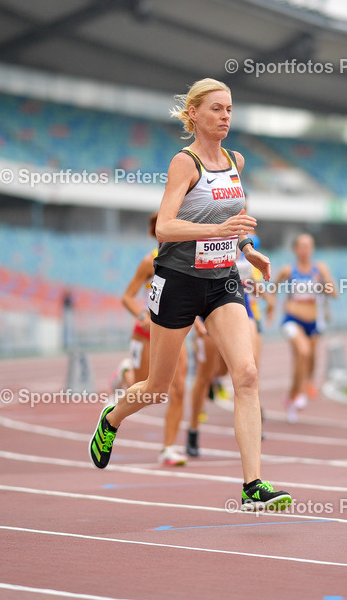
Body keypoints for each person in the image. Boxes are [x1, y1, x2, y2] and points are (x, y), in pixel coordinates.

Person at [89, 77, 291, 511]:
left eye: (230, 109)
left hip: (223, 281)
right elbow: (164, 227)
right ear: (194, 114)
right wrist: (216, 231)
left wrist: (247, 249)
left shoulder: (235, 161)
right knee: (158, 387)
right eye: (217, 109)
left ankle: (252, 485)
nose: (225, 117)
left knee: (247, 375)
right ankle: (112, 418)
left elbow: (234, 214)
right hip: (177, 281)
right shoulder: (185, 163)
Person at [118, 212, 191, 466]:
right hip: (147, 332)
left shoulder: (188, 260)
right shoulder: (150, 261)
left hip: (175, 331)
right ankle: (126, 372)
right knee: (147, 391)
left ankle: (168, 448)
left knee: (179, 389)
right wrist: (142, 316)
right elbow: (127, 297)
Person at [186, 235, 266, 458]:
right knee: (206, 374)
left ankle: (254, 421)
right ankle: (193, 429)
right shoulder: (203, 239)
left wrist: (266, 296)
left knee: (248, 370)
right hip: (207, 310)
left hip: (240, 308)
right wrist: (195, 319)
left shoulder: (247, 247)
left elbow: (253, 285)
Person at [267, 234, 336, 423]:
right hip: (292, 319)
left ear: (312, 249)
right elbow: (273, 289)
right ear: (295, 249)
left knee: (308, 361)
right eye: (302, 246)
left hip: (313, 322)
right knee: (303, 351)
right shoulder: (288, 270)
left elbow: (334, 293)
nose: (305, 250)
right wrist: (271, 307)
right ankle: (297, 395)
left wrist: (322, 284)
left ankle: (292, 395)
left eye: (309, 246)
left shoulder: (319, 268)